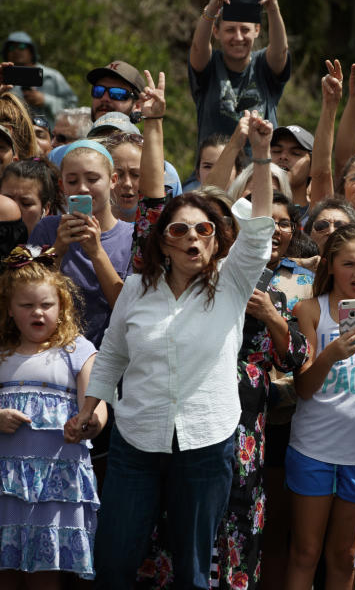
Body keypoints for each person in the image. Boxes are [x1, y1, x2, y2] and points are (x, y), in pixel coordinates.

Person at [64, 114, 277, 589]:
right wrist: (90, 408)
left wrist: (260, 157)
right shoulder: (137, 289)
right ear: (162, 242)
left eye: (203, 230)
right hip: (135, 443)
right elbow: (114, 354)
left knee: (195, 572)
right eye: (179, 231)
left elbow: (260, 231)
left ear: (217, 239)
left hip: (206, 443)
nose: (193, 239)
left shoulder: (233, 284)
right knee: (114, 564)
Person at [284, 225, 355, 589]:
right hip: (312, 449)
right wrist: (330, 355)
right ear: (330, 265)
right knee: (305, 552)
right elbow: (304, 388)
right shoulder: (309, 309)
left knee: (346, 556)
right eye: (349, 264)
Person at [0, 246, 107, 584]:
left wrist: (89, 422)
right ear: (9, 310)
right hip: (6, 480)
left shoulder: (78, 349)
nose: (38, 313)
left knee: (46, 573)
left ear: (62, 307)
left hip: (57, 481)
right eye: (27, 305)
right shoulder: (2, 352)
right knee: (5, 571)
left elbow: (97, 403)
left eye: (47, 305)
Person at [28, 139, 133, 347]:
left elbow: (127, 310)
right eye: (73, 181)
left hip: (111, 359)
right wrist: (57, 249)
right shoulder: (47, 229)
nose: (83, 188)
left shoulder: (132, 237)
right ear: (62, 185)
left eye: (93, 179)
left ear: (113, 180)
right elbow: (29, 295)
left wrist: (97, 253)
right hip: (55, 353)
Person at [190, 0, 291, 144]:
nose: (238, 37)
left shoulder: (263, 66)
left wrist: (273, 8)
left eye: (245, 30)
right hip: (215, 169)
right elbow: (198, 48)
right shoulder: (210, 65)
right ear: (216, 32)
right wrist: (212, 8)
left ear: (257, 30)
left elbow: (280, 53)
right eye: (230, 30)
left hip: (259, 168)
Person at [2, 31, 77, 123]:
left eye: (22, 46)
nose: (16, 51)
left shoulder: (52, 77)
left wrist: (45, 100)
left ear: (31, 51)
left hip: (50, 136)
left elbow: (73, 108)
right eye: (11, 47)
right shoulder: (3, 80)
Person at [1, 156, 62, 235]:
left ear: (45, 209)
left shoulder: (57, 245)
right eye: (8, 200)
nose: (15, 208)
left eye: (26, 204)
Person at [271, 125, 312, 206]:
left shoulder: (318, 216)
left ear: (312, 166)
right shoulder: (250, 209)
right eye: (277, 151)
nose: (283, 157)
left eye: (295, 153)